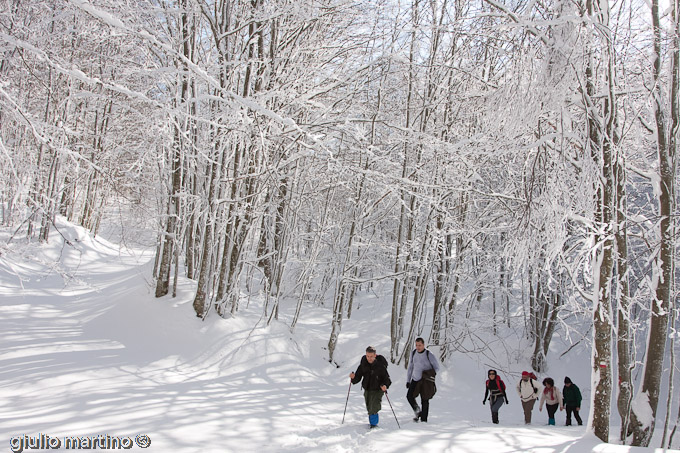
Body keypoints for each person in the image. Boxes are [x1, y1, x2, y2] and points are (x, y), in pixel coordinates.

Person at [349, 346, 391, 428]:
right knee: (369, 407)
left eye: (371, 356)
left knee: (374, 407)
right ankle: (372, 423)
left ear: (375, 355)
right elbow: (358, 377)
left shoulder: (380, 366)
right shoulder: (363, 364)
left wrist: (385, 386)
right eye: (367, 356)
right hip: (367, 389)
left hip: (378, 389)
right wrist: (353, 377)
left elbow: (387, 379)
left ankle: (374, 425)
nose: (369, 358)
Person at [406, 337, 440, 423]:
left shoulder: (429, 354)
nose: (418, 347)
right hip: (415, 379)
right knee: (409, 396)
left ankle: (424, 420)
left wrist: (429, 375)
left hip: (426, 380)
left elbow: (437, 367)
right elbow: (410, 367)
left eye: (420, 345)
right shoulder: (413, 353)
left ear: (423, 345)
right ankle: (418, 411)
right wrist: (408, 380)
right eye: (416, 345)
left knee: (424, 399)